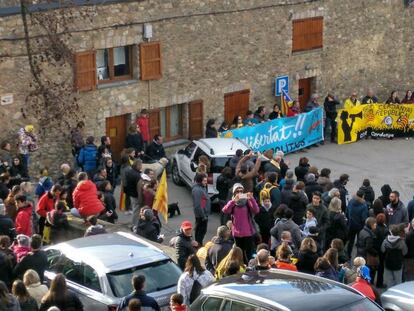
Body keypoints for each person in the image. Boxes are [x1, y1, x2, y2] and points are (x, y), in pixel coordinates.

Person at [222, 184, 260, 263]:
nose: (239, 193)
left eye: (241, 191)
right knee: (239, 253)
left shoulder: (247, 201)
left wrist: (252, 199)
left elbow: (256, 210)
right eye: (237, 191)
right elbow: (225, 210)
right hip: (237, 233)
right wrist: (233, 201)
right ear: (234, 193)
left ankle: (249, 267)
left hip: (248, 232)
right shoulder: (232, 202)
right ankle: (241, 267)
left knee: (249, 253)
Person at [347, 190, 368, 257]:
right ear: (362, 196)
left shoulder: (351, 201)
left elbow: (347, 211)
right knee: (360, 242)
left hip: (351, 224)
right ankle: (358, 257)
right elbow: (364, 218)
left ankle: (348, 254)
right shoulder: (364, 205)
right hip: (360, 226)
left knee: (351, 241)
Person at [356, 217, 378, 282]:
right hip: (366, 256)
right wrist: (376, 253)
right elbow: (369, 248)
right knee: (369, 273)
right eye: (375, 224)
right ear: (371, 225)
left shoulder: (362, 231)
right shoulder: (369, 235)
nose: (376, 226)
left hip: (360, 253)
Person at [191, 173, 210, 246]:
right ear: (200, 181)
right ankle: (198, 245)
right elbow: (198, 206)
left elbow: (202, 201)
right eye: (204, 181)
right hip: (201, 216)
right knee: (200, 232)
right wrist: (203, 216)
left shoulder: (202, 187)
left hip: (203, 214)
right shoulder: (197, 190)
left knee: (202, 231)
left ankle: (199, 244)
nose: (206, 182)